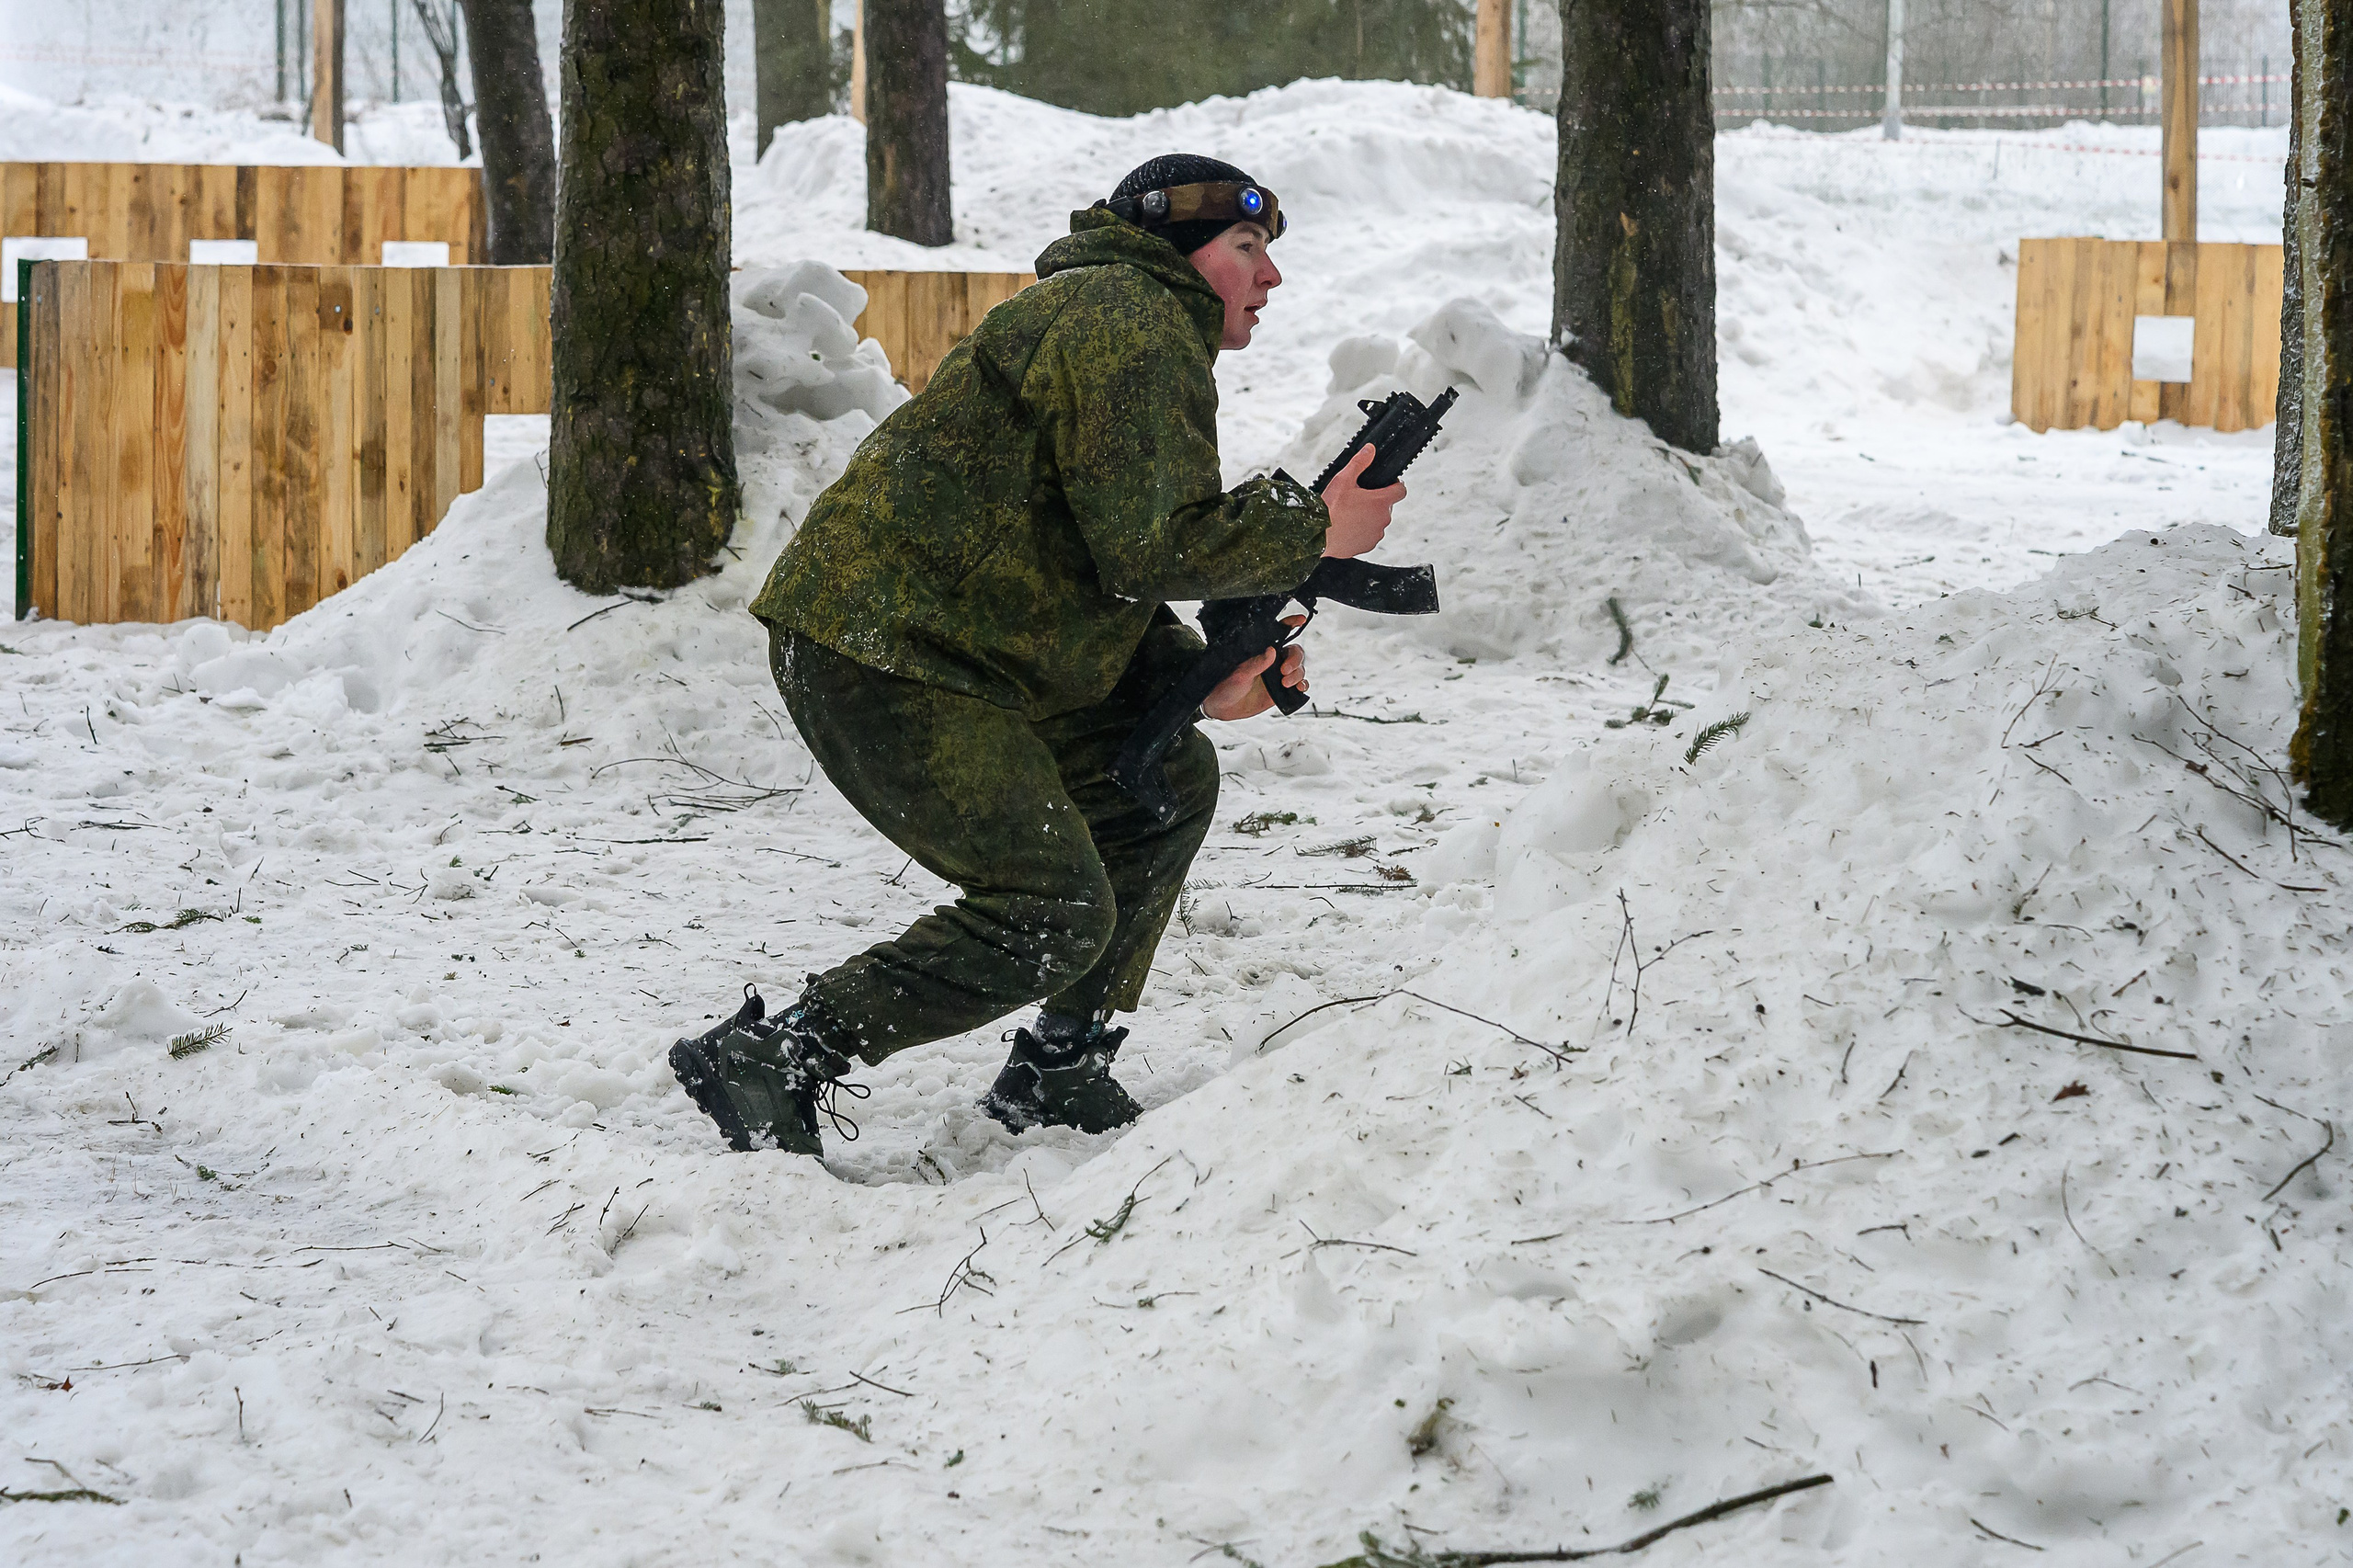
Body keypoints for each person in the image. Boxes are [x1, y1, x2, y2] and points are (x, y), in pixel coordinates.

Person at [669, 153, 1405, 1159]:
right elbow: (1155, 543)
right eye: (1246, 248)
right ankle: (781, 1052)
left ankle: (1060, 1068)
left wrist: (1201, 676)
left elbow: (1090, 554)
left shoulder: (1124, 317)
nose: (1268, 277)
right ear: (1181, 249)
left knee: (1164, 780)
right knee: (1053, 907)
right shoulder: (1128, 318)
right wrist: (1312, 526)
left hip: (962, 639)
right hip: (889, 648)